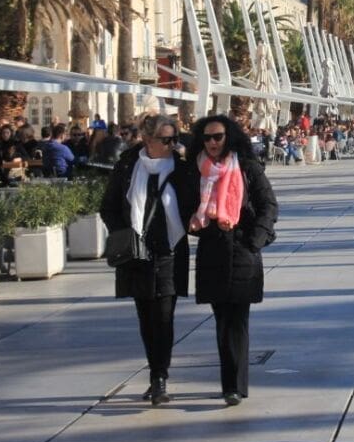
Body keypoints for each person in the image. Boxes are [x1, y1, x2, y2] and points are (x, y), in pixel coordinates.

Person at [100, 113, 195, 406]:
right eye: (165, 140)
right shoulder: (128, 165)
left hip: (170, 250)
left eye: (174, 139)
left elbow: (193, 203)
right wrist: (124, 234)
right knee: (146, 317)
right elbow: (108, 207)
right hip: (137, 253)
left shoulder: (182, 168)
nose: (171, 145)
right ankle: (156, 373)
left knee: (164, 316)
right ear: (147, 139)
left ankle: (159, 377)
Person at [187, 115, 278, 406]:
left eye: (218, 136)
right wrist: (197, 226)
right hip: (212, 250)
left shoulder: (247, 167)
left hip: (242, 249)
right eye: (207, 138)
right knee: (222, 320)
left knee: (237, 319)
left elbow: (268, 205)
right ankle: (230, 384)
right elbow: (186, 207)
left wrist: (255, 240)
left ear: (230, 137)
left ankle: (235, 386)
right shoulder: (196, 170)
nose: (212, 142)